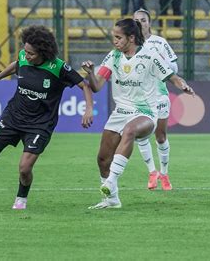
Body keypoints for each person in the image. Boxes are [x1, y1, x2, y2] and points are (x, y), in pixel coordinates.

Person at [0, 25, 94, 210]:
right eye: (25, 51)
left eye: (31, 53)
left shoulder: (58, 67)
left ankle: (21, 198)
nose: (26, 55)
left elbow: (85, 86)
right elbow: (17, 63)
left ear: (43, 53)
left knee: (25, 168)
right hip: (13, 117)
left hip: (40, 124)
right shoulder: (23, 56)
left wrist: (88, 108)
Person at [81, 19, 194, 209]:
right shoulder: (113, 56)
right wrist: (91, 73)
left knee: (130, 130)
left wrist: (183, 85)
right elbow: (97, 86)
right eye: (113, 37)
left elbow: (172, 77)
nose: (114, 41)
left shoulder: (150, 56)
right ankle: (112, 200)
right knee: (102, 160)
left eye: (118, 37)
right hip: (120, 112)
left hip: (145, 112)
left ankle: (110, 182)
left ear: (131, 38)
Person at [133, 9, 179, 190]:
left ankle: (164, 173)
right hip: (139, 96)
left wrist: (161, 61)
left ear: (149, 23)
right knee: (141, 136)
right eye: (136, 20)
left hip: (159, 94)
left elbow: (174, 66)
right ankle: (152, 172)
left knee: (160, 136)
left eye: (143, 20)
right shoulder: (130, 44)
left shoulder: (159, 42)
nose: (140, 23)